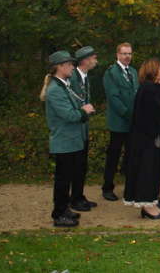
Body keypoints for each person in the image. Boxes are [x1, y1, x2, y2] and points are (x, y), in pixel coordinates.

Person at [41, 51, 96, 227]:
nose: (73, 66)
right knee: (62, 180)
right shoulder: (55, 90)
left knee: (68, 177)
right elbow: (69, 115)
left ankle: (65, 209)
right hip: (64, 141)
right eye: (70, 64)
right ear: (60, 66)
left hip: (72, 140)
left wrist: (82, 110)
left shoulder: (64, 85)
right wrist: (84, 111)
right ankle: (58, 214)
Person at [123, 59, 160, 219]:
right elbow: (152, 116)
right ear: (153, 72)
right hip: (147, 141)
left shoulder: (155, 88)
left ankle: (151, 203)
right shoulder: (148, 90)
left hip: (153, 140)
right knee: (147, 172)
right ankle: (147, 206)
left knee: (153, 173)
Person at [102, 42, 139, 201]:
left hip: (133, 123)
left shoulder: (133, 71)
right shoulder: (111, 73)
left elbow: (136, 95)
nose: (127, 57)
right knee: (114, 156)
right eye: (124, 53)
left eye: (129, 53)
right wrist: (129, 114)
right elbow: (114, 98)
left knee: (132, 156)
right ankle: (107, 188)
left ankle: (130, 188)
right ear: (117, 55)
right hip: (119, 123)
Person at [68, 46, 99, 212]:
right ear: (85, 60)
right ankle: (74, 199)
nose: (95, 60)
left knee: (81, 165)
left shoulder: (85, 77)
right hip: (74, 128)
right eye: (93, 57)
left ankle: (78, 195)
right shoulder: (73, 78)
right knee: (76, 165)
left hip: (83, 127)